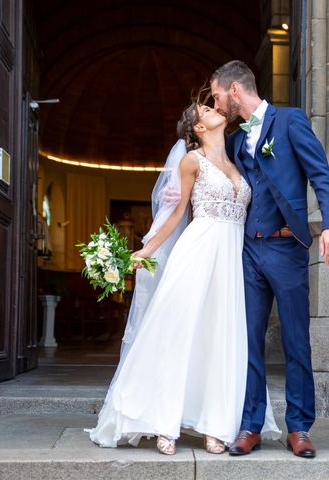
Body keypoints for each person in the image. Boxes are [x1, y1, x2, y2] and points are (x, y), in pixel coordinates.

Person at [85, 101, 281, 454]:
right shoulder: (192, 161)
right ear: (198, 128)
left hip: (233, 259)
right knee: (178, 332)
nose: (215, 108)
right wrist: (145, 250)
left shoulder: (240, 163)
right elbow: (176, 214)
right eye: (206, 109)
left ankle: (215, 424)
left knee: (221, 337)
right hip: (198, 252)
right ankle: (164, 421)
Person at [210, 60, 329, 458]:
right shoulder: (234, 142)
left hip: (287, 248)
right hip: (249, 250)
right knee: (248, 339)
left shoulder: (290, 122)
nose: (217, 104)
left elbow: (321, 175)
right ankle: (250, 424)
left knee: (294, 340)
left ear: (235, 90)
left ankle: (299, 427)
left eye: (218, 95)